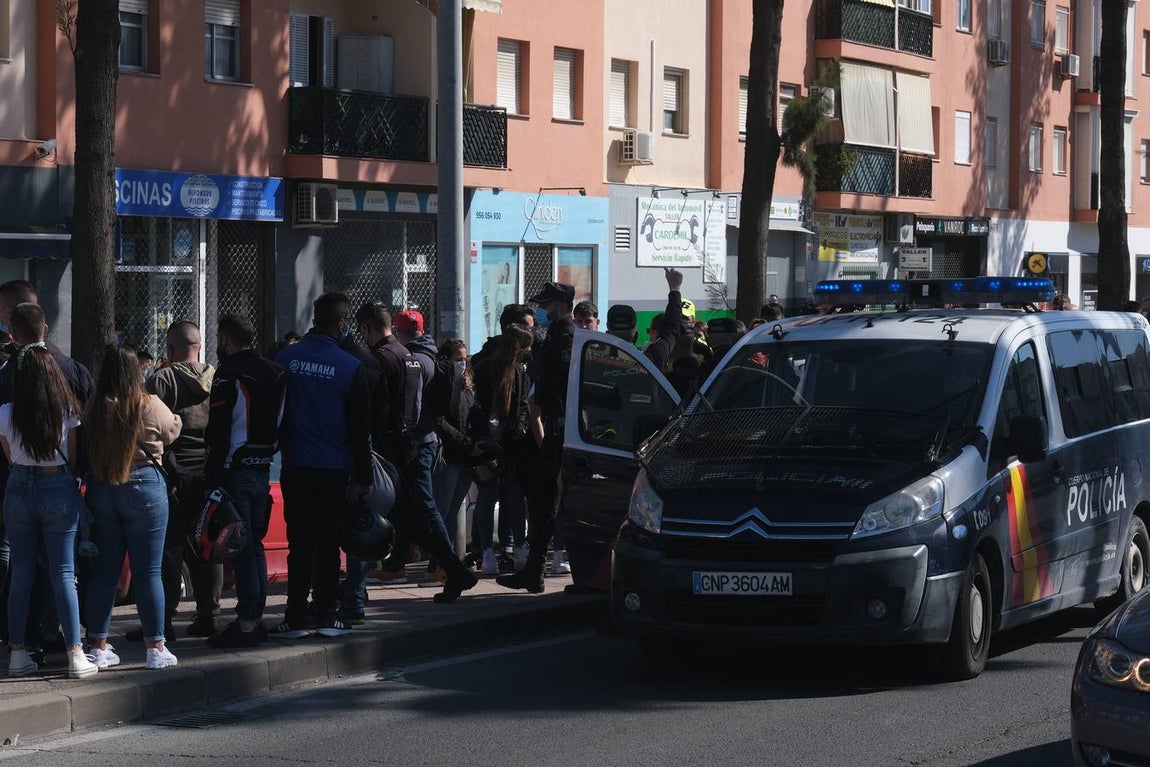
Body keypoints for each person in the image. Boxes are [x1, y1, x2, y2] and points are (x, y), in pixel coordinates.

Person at [1, 305, 97, 679]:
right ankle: (75, 652)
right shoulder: (65, 409)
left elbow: (9, 456)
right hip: (56, 484)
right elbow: (72, 454)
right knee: (63, 571)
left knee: (21, 572)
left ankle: (18, 653)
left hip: (18, 486)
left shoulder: (6, 412)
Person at [359, 303, 477, 603]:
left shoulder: (389, 358)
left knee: (416, 510)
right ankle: (446, 566)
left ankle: (445, 567)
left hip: (405, 447)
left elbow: (388, 410)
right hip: (417, 443)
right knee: (414, 514)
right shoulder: (417, 358)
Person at [274, 293, 373, 638]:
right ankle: (327, 614)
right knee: (330, 543)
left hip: (296, 464)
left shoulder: (286, 358)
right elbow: (360, 428)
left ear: (315, 318)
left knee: (299, 542)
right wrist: (365, 477)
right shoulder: (350, 367)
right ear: (343, 324)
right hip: (333, 469)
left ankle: (295, 616)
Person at [84, 344, 181, 670]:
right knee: (148, 571)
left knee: (105, 572)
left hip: (104, 488)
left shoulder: (94, 406)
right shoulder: (149, 404)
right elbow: (172, 430)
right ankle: (155, 647)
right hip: (145, 490)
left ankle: (97, 644)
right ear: (135, 370)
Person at [136, 321, 220, 642]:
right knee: (206, 545)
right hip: (208, 475)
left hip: (172, 477)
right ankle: (208, 615)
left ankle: (164, 619)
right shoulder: (217, 378)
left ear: (170, 349)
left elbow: (151, 425)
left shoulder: (162, 379)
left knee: (169, 549)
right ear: (199, 346)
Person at [205, 314, 286, 648]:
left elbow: (219, 428)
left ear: (225, 339)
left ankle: (248, 622)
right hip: (263, 466)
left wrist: (213, 477)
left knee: (240, 546)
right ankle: (253, 617)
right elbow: (282, 422)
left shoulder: (229, 373)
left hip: (234, 468)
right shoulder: (278, 372)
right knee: (253, 544)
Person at [497, 281, 575, 594]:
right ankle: (534, 572)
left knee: (551, 505)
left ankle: (540, 571)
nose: (542, 310)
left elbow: (565, 389)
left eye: (546, 305)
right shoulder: (554, 337)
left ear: (558, 305)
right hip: (549, 432)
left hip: (558, 432)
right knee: (543, 505)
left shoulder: (566, 338)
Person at [471, 324, 534, 576]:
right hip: (493, 443)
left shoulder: (514, 370)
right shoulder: (492, 369)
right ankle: (497, 551)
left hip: (502, 444)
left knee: (506, 497)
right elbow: (480, 408)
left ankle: (505, 550)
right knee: (498, 497)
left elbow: (520, 408)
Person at [432, 338, 483, 560]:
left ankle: (450, 558)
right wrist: (465, 443)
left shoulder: (467, 385)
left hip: (465, 457)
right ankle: (440, 560)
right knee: (443, 509)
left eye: (465, 359)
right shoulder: (443, 385)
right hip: (451, 456)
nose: (463, 364)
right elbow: (441, 420)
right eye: (458, 359)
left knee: (453, 510)